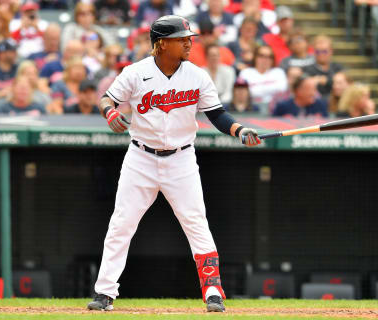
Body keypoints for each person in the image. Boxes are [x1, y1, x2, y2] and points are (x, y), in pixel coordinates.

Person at [87, 15, 261, 313]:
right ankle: (104, 293)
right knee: (121, 224)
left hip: (181, 158)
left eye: (188, 37)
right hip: (140, 158)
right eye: (182, 38)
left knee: (196, 223)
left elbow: (217, 115)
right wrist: (110, 114)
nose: (189, 42)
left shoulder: (197, 75)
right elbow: (106, 99)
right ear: (161, 44)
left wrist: (240, 130)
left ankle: (213, 292)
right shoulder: (136, 72)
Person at [238, 45, 287, 113]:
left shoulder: (278, 72)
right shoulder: (246, 72)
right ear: (255, 57)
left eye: (269, 57)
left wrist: (256, 89)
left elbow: (282, 90)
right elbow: (242, 94)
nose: (265, 59)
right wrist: (271, 88)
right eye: (261, 55)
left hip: (275, 110)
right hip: (252, 109)